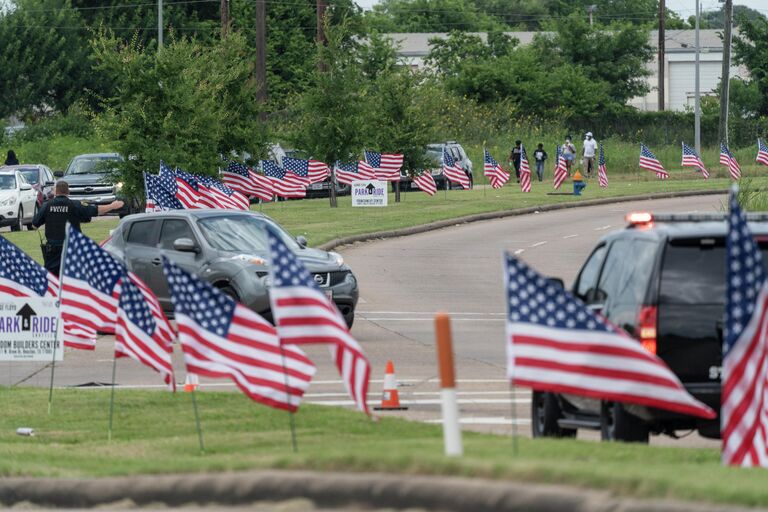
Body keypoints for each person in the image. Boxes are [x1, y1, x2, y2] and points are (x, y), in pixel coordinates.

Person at [32, 180, 124, 275]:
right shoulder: (75, 205)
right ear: (68, 192)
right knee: (73, 277)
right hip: (72, 249)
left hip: (52, 251)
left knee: (52, 278)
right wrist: (112, 206)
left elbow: (34, 225)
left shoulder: (47, 206)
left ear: (55, 192)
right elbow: (97, 210)